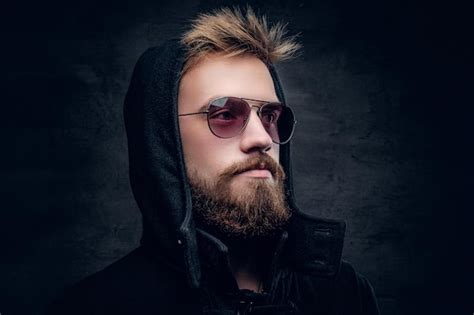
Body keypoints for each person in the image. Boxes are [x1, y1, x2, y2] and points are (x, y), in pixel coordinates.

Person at [45, 7, 379, 315]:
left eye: (270, 116)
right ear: (163, 140)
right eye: (224, 114)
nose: (262, 138)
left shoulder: (345, 294)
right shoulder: (94, 306)